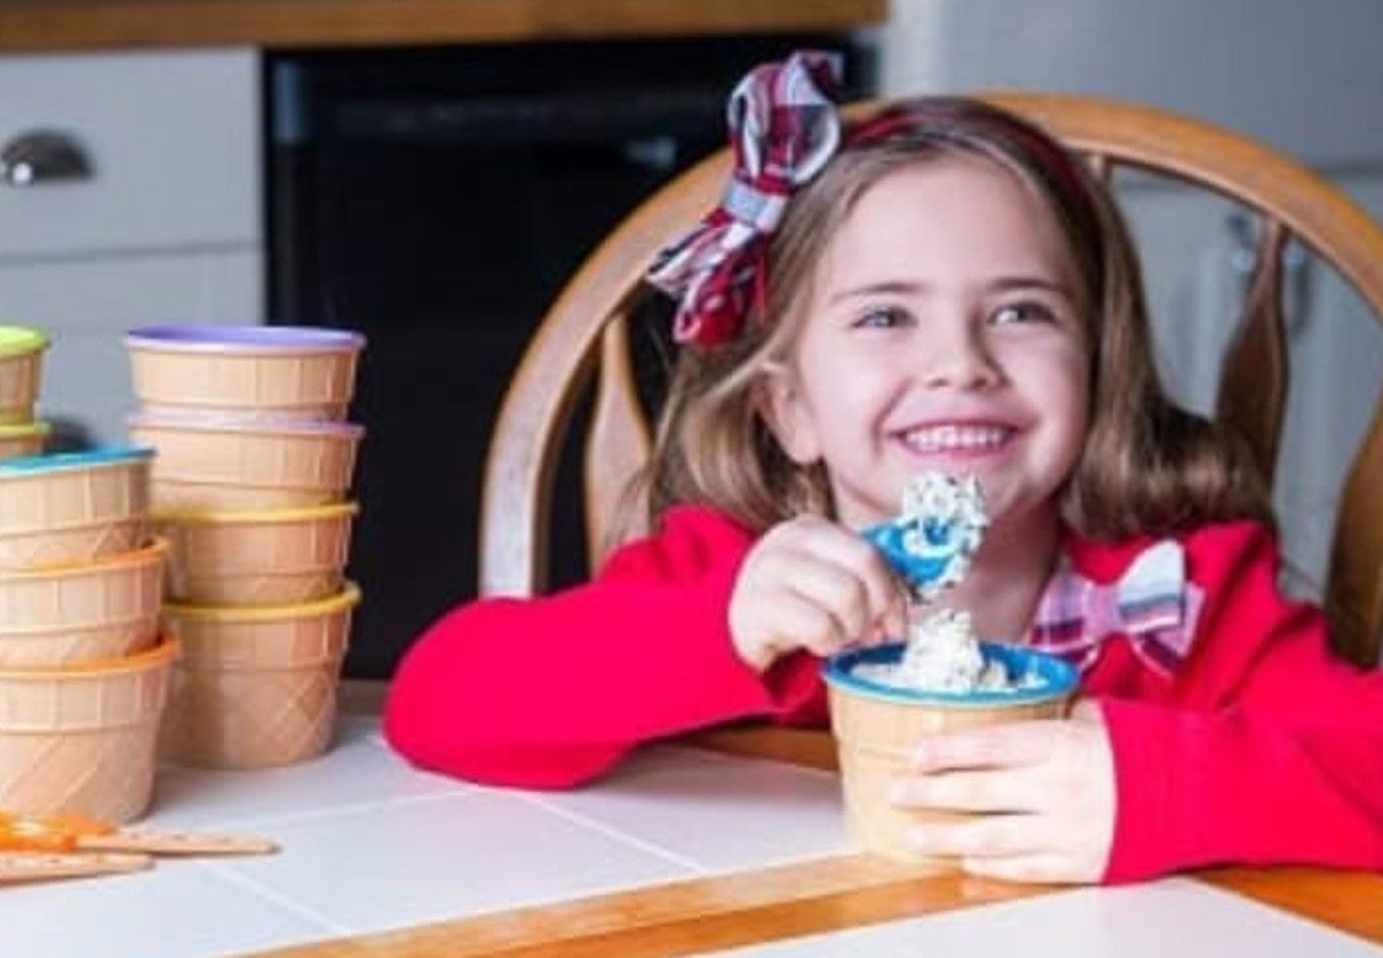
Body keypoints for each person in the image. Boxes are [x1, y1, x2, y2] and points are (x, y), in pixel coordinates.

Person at [384, 51, 1383, 885]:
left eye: (1022, 310)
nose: (960, 361)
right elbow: (437, 701)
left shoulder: (1188, 604)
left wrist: (1169, 789)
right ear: (793, 407)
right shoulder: (735, 579)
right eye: (885, 316)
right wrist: (718, 629)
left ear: (1098, 365)